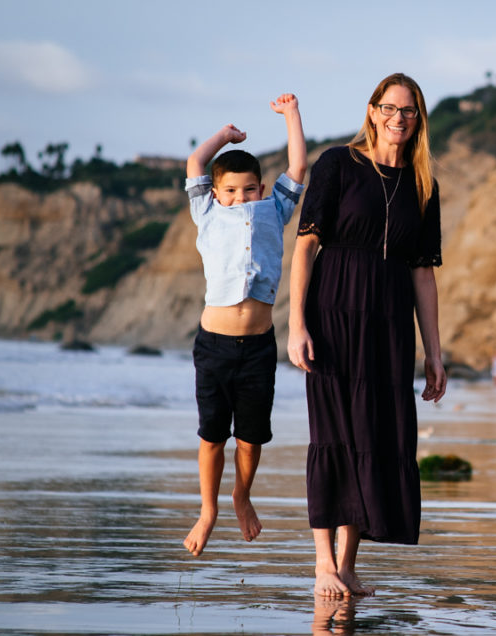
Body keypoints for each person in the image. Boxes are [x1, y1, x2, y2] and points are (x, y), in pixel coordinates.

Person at [288, 73, 446, 599]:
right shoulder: (339, 163)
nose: (399, 118)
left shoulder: (424, 185)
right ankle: (322, 563)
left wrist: (435, 354)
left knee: (373, 434)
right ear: (373, 111)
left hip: (390, 320)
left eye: (410, 110)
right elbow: (307, 246)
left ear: (418, 119)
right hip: (334, 310)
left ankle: (348, 564)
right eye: (390, 107)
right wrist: (296, 324)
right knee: (333, 431)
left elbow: (423, 273)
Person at [183, 94, 307, 557]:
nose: (241, 197)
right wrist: (226, 137)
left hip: (257, 347)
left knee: (252, 437)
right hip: (214, 345)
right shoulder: (207, 214)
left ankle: (242, 495)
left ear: (260, 188)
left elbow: (297, 166)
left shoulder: (275, 209)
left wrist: (291, 115)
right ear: (217, 193)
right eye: (232, 190)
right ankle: (208, 509)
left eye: (249, 189)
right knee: (212, 434)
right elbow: (197, 160)